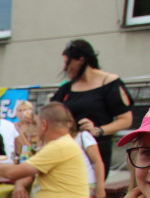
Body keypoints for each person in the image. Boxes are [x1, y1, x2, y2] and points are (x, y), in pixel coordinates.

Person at [52, 39, 134, 180]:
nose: (65, 68)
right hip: (68, 150)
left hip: (96, 151)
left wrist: (98, 130)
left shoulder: (110, 83)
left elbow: (126, 120)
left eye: (68, 62)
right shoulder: (67, 88)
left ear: (81, 60)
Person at [72, 120, 107, 198]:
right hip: (72, 185)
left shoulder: (83, 136)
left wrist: (100, 187)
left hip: (87, 183)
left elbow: (97, 161)